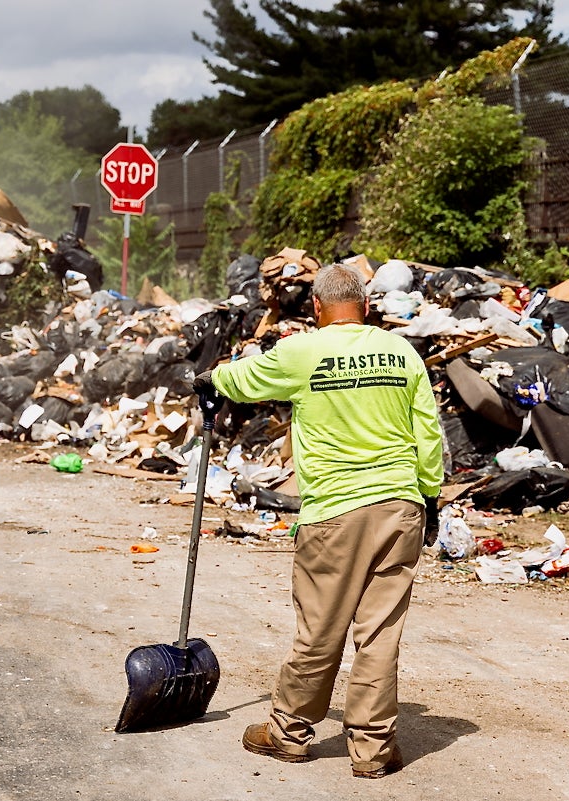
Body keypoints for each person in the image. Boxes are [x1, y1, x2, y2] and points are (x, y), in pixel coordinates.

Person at [195, 264, 443, 779]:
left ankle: (288, 735)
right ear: (368, 307)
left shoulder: (302, 351)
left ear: (315, 308)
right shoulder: (403, 354)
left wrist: (211, 378)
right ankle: (374, 751)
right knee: (379, 634)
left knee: (320, 631)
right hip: (400, 507)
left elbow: (244, 380)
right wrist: (431, 498)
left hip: (334, 513)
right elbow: (428, 433)